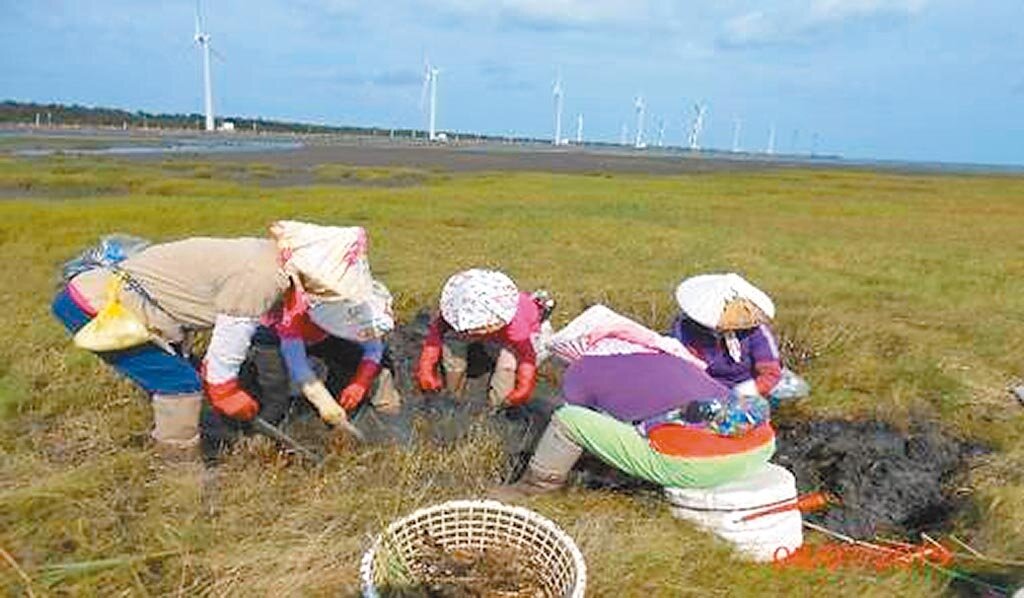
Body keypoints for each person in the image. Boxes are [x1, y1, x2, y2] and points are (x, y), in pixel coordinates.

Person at [51, 221, 375, 459]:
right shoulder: (263, 276)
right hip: (103, 307)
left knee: (184, 379)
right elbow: (230, 342)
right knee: (179, 387)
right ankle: (179, 480)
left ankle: (192, 440)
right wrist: (225, 390)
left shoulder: (272, 260)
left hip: (130, 307)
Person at [492, 305, 774, 500]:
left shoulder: (581, 371)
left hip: (696, 465)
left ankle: (534, 488)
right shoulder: (669, 355)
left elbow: (579, 420)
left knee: (568, 421)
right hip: (760, 446)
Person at [245, 279, 402, 425]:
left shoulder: (352, 307)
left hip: (323, 335)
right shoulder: (292, 317)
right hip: (274, 339)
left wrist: (360, 383)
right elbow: (299, 368)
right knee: (276, 397)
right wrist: (326, 405)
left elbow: (373, 348)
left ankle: (388, 419)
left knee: (381, 365)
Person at [416, 269, 554, 408]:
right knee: (452, 343)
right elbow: (435, 336)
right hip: (496, 335)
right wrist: (426, 370)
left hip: (519, 339)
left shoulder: (515, 323)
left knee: (507, 366)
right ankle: (454, 393)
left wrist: (523, 389)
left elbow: (527, 357)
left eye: (477, 328)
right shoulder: (455, 309)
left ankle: (497, 406)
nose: (471, 331)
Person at [668, 273, 784, 399]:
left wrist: (754, 388)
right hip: (706, 391)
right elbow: (687, 371)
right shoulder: (686, 329)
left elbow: (771, 371)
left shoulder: (756, 331)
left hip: (747, 390)